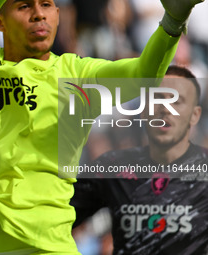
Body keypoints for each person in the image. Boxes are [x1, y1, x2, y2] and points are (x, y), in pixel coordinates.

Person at [0, 0, 204, 254]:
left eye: (46, 5)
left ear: (57, 14)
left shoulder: (76, 76)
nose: (38, 14)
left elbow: (140, 75)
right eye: (23, 6)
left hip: (48, 245)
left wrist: (172, 22)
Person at [71, 65, 208, 254]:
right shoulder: (113, 167)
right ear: (144, 111)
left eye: (177, 101)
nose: (165, 109)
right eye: (158, 98)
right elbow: (54, 217)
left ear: (195, 115)